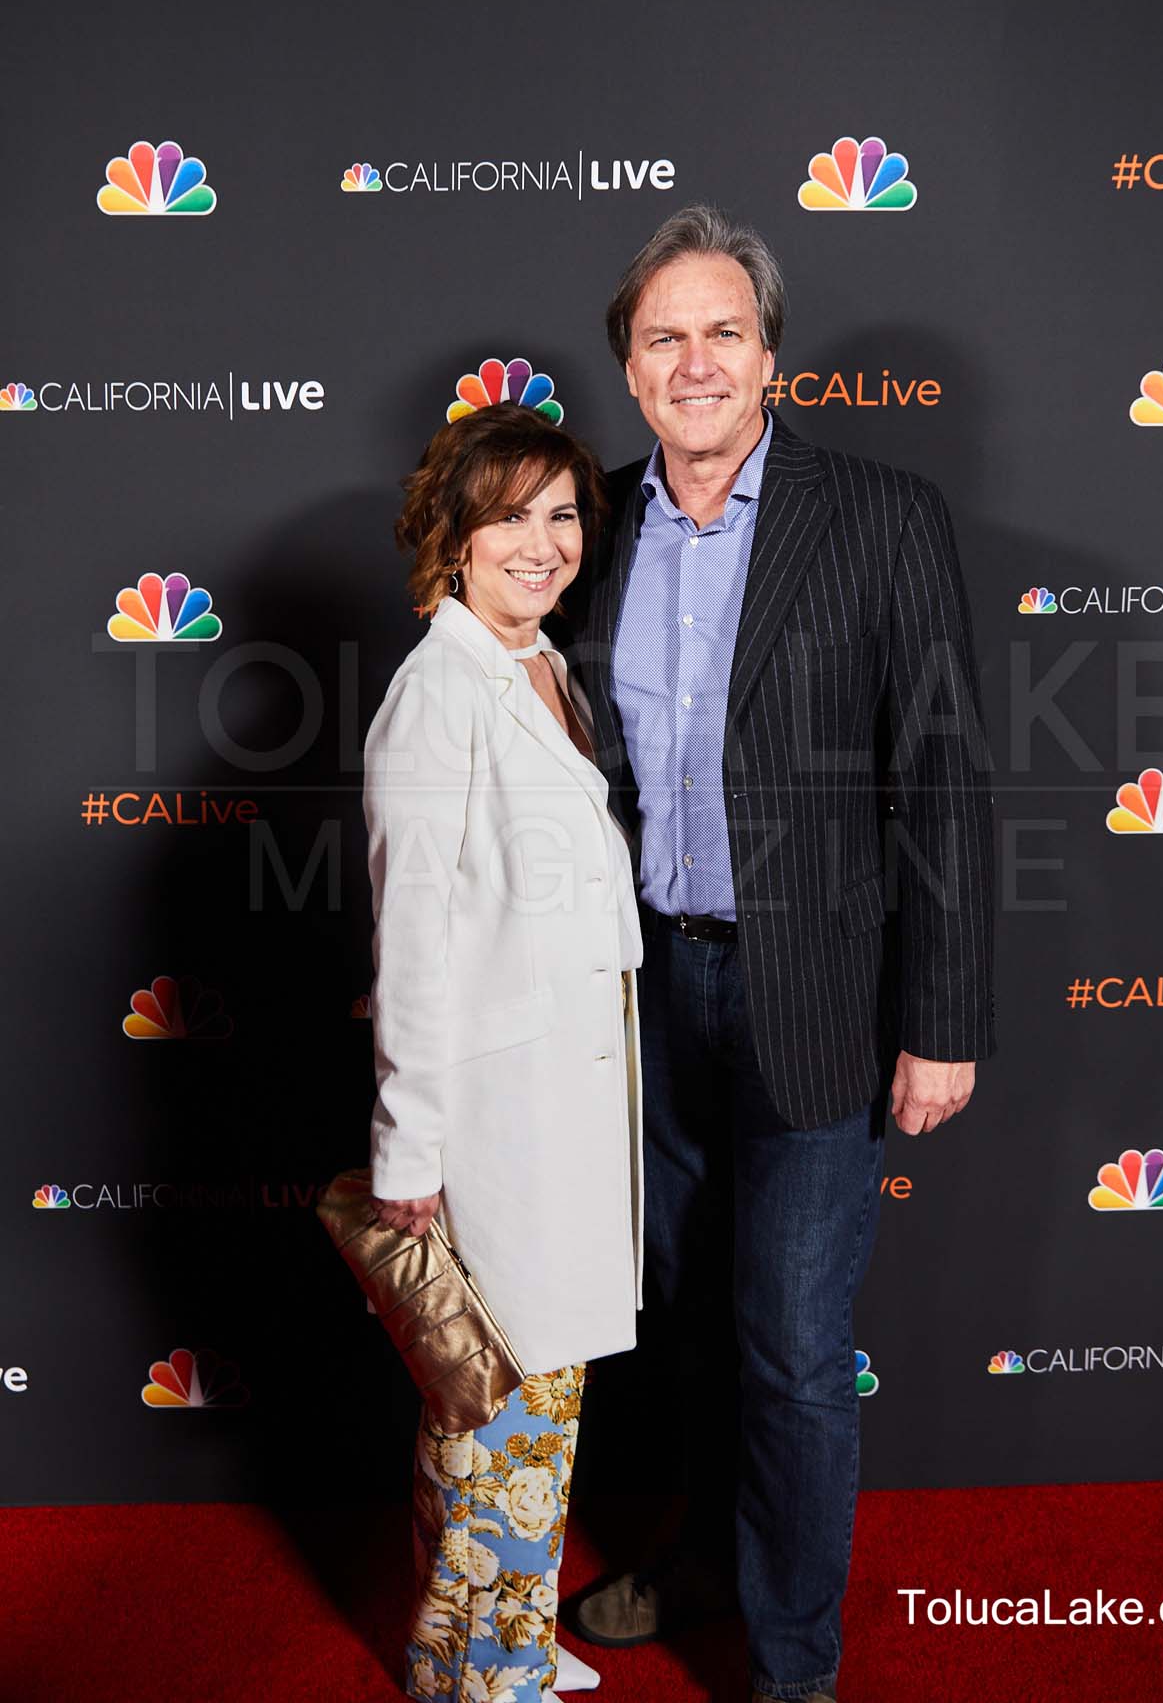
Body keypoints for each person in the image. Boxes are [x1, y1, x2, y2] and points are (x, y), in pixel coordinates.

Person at [569, 207, 996, 1703]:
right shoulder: (583, 526)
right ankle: (702, 1560)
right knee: (682, 1322)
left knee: (795, 1347)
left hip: (814, 996)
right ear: (630, 369)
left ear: (771, 357)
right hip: (640, 997)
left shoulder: (879, 515)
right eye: (664, 338)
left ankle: (794, 1666)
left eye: (724, 333)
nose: (696, 362)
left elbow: (944, 780)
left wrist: (942, 1018)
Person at [363, 402, 644, 1701]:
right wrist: (408, 1148)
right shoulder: (436, 694)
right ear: (454, 533)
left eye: (563, 513)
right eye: (510, 516)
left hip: (571, 1094)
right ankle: (478, 1674)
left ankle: (503, 1642)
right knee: (496, 1402)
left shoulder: (546, 666)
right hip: (493, 1113)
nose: (543, 543)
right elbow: (412, 943)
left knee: (541, 1391)